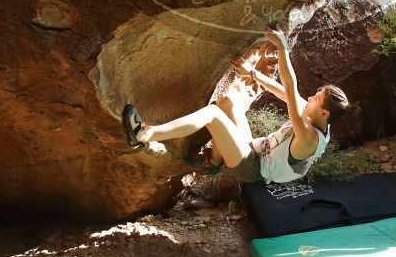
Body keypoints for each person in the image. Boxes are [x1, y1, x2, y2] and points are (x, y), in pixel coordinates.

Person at [121, 26, 352, 184]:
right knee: (227, 102)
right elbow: (284, 92)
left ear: (324, 111)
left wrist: (282, 47)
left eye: (316, 98)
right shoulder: (318, 118)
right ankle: (213, 162)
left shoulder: (309, 139)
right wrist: (253, 74)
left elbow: (291, 89)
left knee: (213, 114)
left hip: (252, 168)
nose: (310, 98)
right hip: (254, 148)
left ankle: (143, 135)